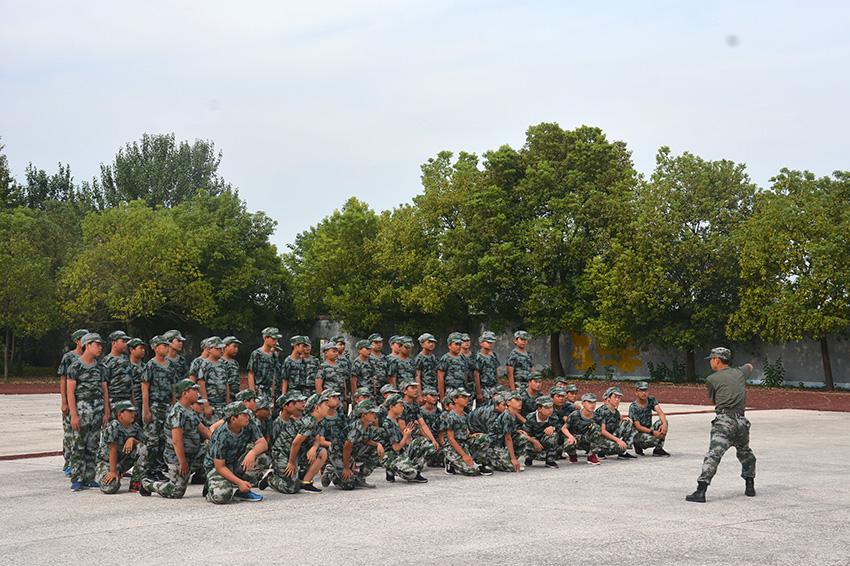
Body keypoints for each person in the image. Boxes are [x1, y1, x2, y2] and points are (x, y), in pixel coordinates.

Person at [687, 347, 757, 503]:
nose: (711, 362)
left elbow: (714, 401)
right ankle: (750, 486)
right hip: (741, 422)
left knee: (714, 454)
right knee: (745, 453)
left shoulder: (712, 379)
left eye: (712, 359)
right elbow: (750, 366)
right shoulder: (740, 372)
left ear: (717, 360)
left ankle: (701, 490)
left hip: (724, 421)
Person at [142, 379, 211, 498]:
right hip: (178, 458)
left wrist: (217, 440)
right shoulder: (178, 412)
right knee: (176, 492)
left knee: (213, 451)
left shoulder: (189, 410)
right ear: (185, 393)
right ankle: (147, 484)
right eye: (194, 390)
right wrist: (182, 462)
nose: (197, 392)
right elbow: (176, 440)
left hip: (194, 453)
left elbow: (203, 430)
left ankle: (210, 487)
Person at [260, 392, 331, 494]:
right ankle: (270, 478)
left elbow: (317, 438)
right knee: (291, 487)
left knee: (322, 452)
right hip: (283, 453)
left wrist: (314, 448)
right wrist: (291, 463)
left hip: (297, 452)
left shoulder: (319, 420)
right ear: (317, 408)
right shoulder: (309, 422)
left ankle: (306, 483)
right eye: (326, 405)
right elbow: (295, 443)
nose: (328, 407)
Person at [66, 332, 110, 491]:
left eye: (100, 345)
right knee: (78, 445)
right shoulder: (75, 366)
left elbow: (105, 390)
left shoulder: (101, 367)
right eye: (97, 344)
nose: (100, 348)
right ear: (87, 345)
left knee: (93, 445)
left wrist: (106, 412)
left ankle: (89, 477)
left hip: (97, 407)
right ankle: (76, 478)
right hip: (82, 407)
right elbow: (70, 391)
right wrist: (74, 415)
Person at [203, 401, 267, 503]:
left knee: (261, 457)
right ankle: (211, 487)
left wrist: (252, 453)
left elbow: (263, 444)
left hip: (234, 462)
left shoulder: (248, 425)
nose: (248, 417)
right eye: (244, 415)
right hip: (216, 467)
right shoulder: (221, 435)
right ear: (233, 419)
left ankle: (242, 493)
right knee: (222, 497)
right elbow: (220, 467)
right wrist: (239, 482)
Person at [323, 399, 385, 489]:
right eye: (371, 413)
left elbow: (365, 441)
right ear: (363, 415)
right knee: (347, 485)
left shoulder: (369, 425)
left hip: (353, 451)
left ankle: (360, 478)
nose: (374, 414)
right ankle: (331, 472)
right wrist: (346, 468)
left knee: (375, 451)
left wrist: (377, 444)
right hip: (338, 452)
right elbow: (346, 448)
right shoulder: (355, 428)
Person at [141, 335, 179, 477]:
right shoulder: (150, 365)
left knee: (165, 438)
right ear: (155, 348)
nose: (167, 348)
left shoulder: (171, 365)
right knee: (152, 439)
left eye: (168, 345)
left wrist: (175, 407)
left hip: (168, 406)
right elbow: (145, 388)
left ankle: (160, 468)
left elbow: (174, 387)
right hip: (154, 406)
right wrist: (146, 410)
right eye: (164, 345)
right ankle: (149, 469)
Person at [95, 400, 146, 494]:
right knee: (110, 488)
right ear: (120, 414)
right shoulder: (113, 426)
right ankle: (103, 475)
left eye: (133, 411)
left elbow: (143, 444)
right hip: (108, 462)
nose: (133, 414)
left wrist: (132, 440)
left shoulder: (134, 426)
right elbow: (112, 449)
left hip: (123, 461)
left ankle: (136, 482)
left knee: (142, 447)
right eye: (129, 411)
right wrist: (113, 471)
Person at [380, 395, 431, 483]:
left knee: (422, 442)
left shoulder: (395, 421)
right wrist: (406, 436)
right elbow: (396, 448)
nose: (402, 408)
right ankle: (391, 469)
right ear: (391, 407)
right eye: (400, 406)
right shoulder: (388, 424)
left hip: (400, 452)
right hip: (391, 455)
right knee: (411, 473)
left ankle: (412, 468)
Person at [442, 389, 493, 476]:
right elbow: (450, 439)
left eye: (467, 397)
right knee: (472, 471)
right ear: (455, 400)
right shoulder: (451, 416)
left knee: (484, 438)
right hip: (453, 447)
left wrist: (470, 436)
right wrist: (464, 455)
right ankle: (450, 462)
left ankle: (479, 463)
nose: (467, 399)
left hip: (464, 444)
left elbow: (464, 431)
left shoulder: (465, 415)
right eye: (463, 397)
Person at [58, 328, 88, 475]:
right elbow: (63, 380)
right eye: (84, 338)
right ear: (77, 341)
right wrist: (64, 401)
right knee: (70, 433)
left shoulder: (91, 358)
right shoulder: (69, 357)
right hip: (71, 401)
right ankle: (68, 463)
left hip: (85, 403)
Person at [595, 387, 638, 459]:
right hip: (600, 439)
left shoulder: (616, 412)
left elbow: (618, 425)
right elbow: (602, 431)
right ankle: (600, 451)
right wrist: (618, 440)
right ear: (608, 398)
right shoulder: (602, 411)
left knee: (628, 423)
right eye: (615, 397)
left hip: (610, 437)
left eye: (619, 398)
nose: (617, 400)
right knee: (618, 447)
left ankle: (622, 452)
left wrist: (624, 419)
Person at [629, 381, 670, 456]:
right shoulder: (633, 407)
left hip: (649, 428)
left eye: (645, 390)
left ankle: (658, 449)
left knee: (663, 422)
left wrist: (664, 424)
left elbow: (660, 412)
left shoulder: (651, 400)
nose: (643, 393)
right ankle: (638, 445)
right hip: (638, 433)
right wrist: (654, 433)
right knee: (654, 440)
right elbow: (638, 426)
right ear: (636, 392)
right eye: (641, 390)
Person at [563, 393, 604, 465]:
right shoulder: (575, 415)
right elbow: (564, 428)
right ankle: (572, 454)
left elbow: (601, 431)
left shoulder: (597, 416)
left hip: (587, 439)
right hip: (575, 439)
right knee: (567, 445)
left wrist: (594, 428)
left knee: (596, 428)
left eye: (594, 402)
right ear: (583, 403)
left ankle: (592, 455)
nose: (592, 405)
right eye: (589, 402)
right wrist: (570, 437)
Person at [522, 395, 561, 468]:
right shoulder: (530, 417)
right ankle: (529, 459)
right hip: (533, 441)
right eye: (546, 408)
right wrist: (534, 441)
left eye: (551, 407)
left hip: (544, 441)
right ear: (539, 409)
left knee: (553, 435)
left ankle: (550, 460)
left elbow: (560, 429)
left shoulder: (554, 417)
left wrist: (553, 428)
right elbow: (525, 434)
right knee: (524, 440)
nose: (550, 410)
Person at [102, 330, 132, 418]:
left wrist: (133, 402)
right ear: (114, 343)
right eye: (123, 342)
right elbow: (104, 386)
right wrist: (106, 408)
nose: (125, 344)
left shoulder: (126, 359)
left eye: (126, 342)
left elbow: (131, 381)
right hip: (114, 401)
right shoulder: (107, 361)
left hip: (127, 400)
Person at [248, 327, 282, 401]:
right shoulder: (256, 354)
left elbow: (273, 376)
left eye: (276, 339)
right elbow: (251, 374)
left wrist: (272, 396)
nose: (275, 341)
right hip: (258, 389)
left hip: (269, 389)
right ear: (265, 338)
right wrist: (253, 394)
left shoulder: (274, 355)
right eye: (273, 339)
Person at [438, 333, 468, 401]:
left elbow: (465, 373)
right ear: (449, 345)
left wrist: (466, 389)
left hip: (462, 391)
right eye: (456, 344)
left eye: (459, 344)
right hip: (450, 391)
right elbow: (440, 377)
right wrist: (442, 397)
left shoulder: (462, 358)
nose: (458, 347)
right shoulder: (445, 358)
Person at [473, 331, 500, 406]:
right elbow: (476, 375)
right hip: (483, 388)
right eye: (488, 342)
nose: (490, 344)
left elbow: (496, 371)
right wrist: (479, 393)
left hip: (493, 387)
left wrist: (498, 387)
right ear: (481, 343)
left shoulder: (493, 355)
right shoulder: (478, 357)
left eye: (492, 342)